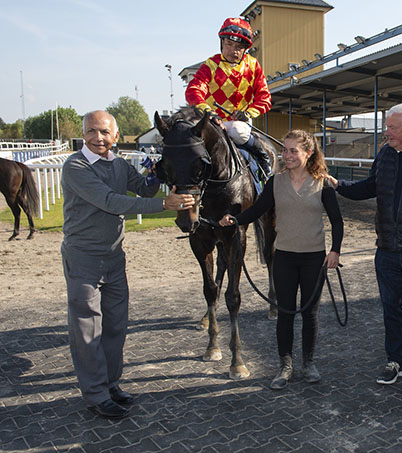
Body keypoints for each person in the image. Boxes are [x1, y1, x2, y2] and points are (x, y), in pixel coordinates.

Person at [61, 111, 195, 419]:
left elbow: (145, 187)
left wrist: (166, 167)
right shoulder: (76, 166)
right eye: (92, 131)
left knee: (116, 327)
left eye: (105, 132)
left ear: (116, 136)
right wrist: (164, 205)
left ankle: (110, 384)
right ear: (84, 134)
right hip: (83, 258)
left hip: (114, 257)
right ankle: (95, 394)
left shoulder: (119, 164)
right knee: (87, 330)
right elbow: (111, 201)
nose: (99, 137)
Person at [326, 102, 402, 385]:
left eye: (392, 128)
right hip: (387, 251)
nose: (386, 133)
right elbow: (371, 186)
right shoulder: (385, 154)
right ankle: (396, 361)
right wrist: (338, 185)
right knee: (391, 309)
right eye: (387, 127)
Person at [219, 129, 343, 390]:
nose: (286, 155)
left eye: (292, 150)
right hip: (285, 256)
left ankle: (308, 362)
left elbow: (337, 221)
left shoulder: (323, 183)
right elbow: (256, 210)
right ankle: (285, 364)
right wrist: (235, 219)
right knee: (285, 312)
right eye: (284, 150)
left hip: (314, 258)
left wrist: (335, 251)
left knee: (310, 313)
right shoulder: (275, 182)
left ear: (308, 154)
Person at [186, 17, 272, 175]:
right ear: (221, 43)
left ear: (246, 49)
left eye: (239, 47)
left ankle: (262, 156)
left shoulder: (253, 66)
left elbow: (264, 97)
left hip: (238, 122)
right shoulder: (210, 65)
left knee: (237, 131)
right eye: (229, 44)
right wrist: (207, 111)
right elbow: (194, 90)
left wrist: (247, 114)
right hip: (213, 122)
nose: (234, 50)